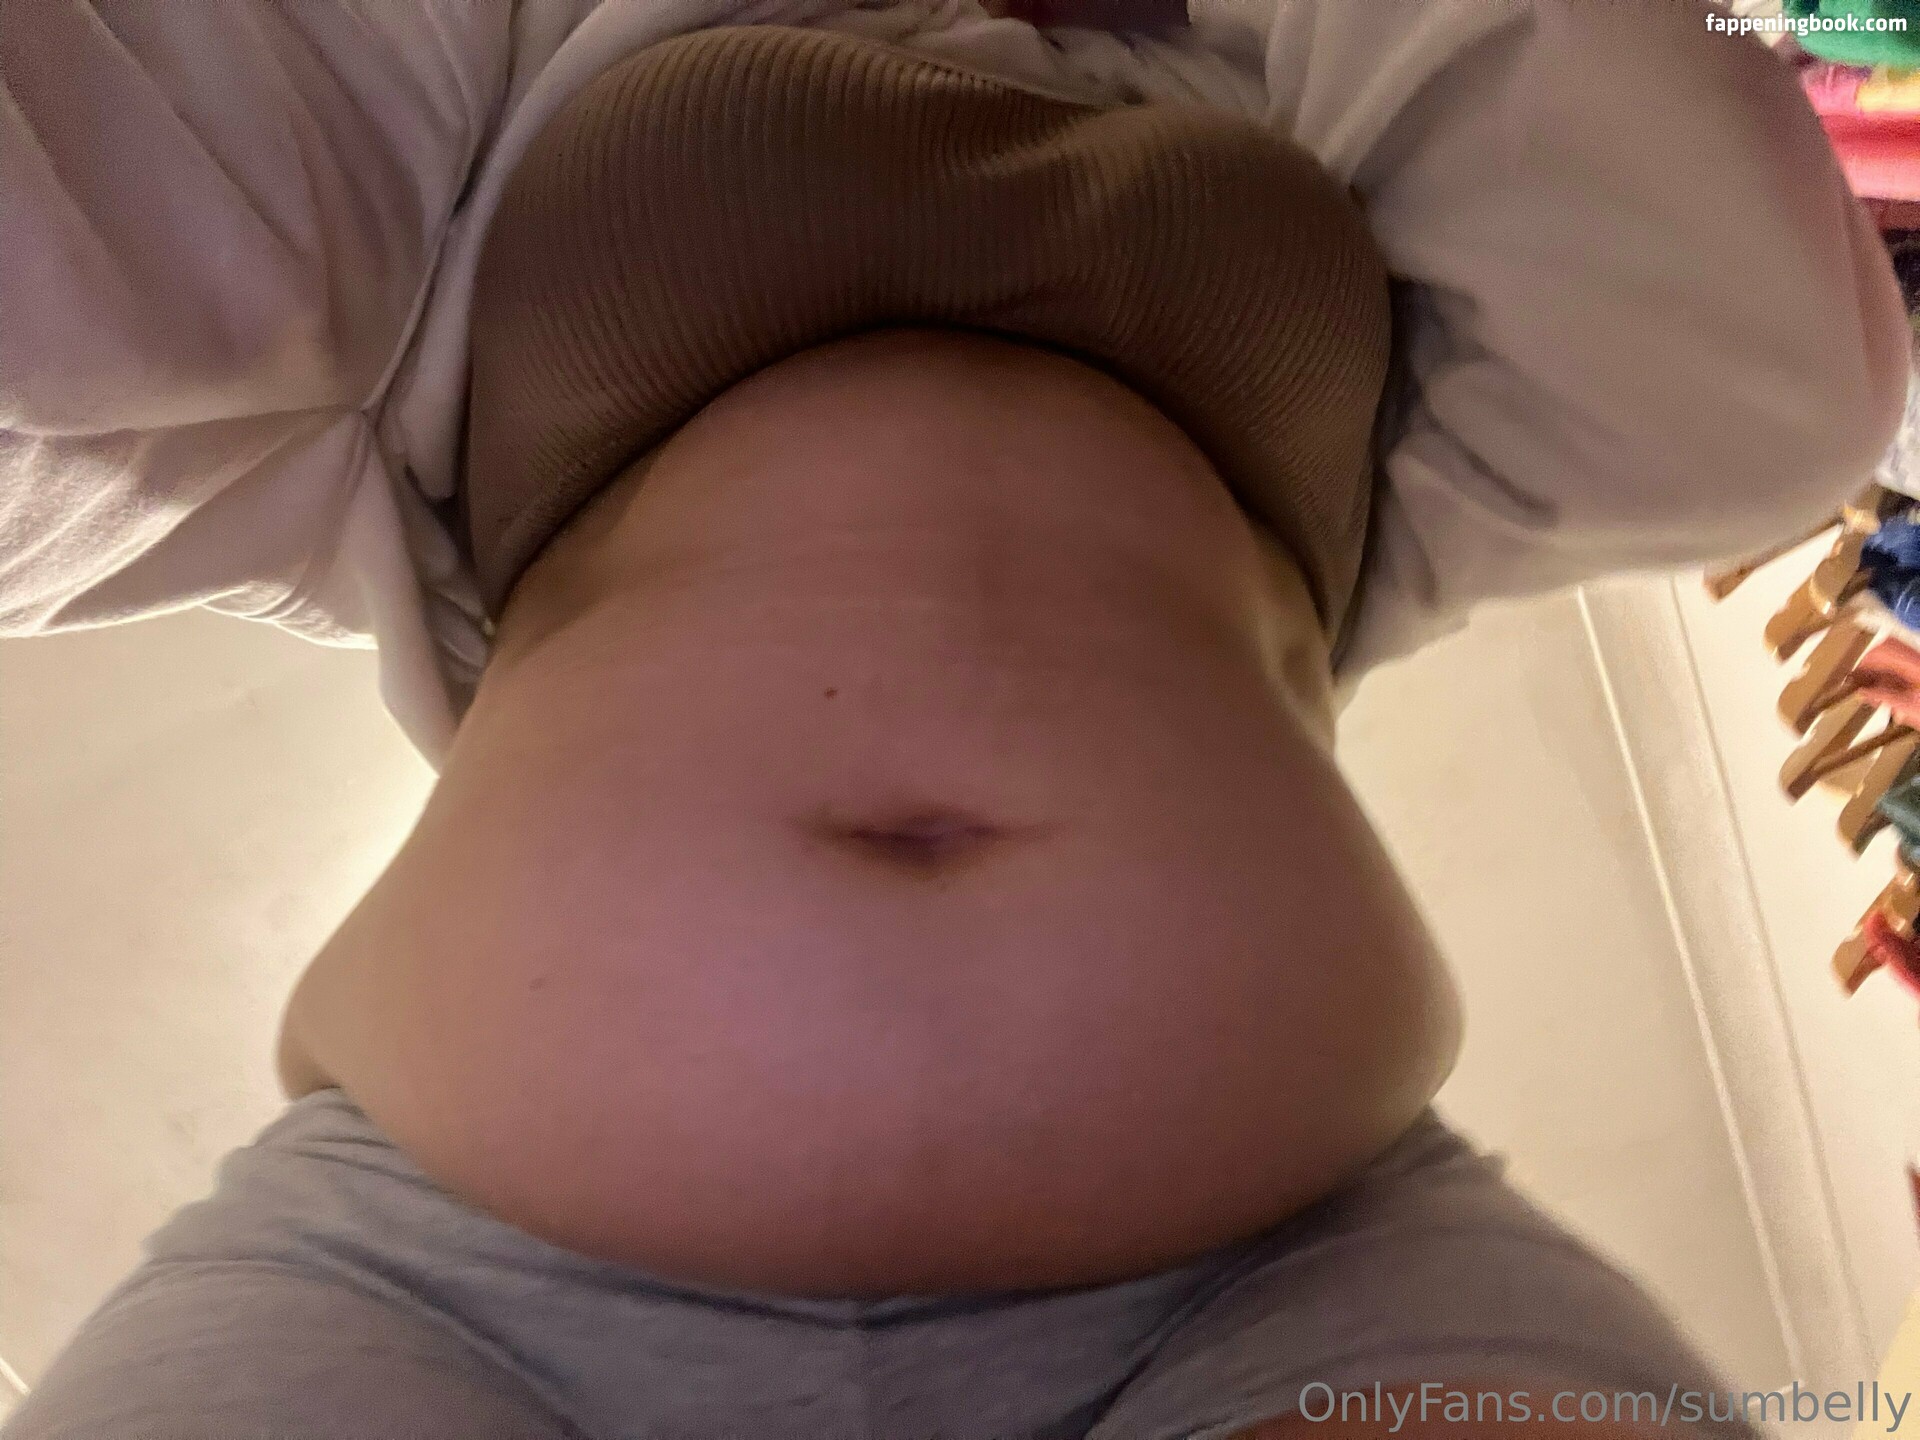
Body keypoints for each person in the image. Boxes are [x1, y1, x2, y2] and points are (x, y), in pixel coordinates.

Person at [1, 3, 1906, 1437]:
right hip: (436, 1291)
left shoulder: (1316, 123)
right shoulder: (481, 73)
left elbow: (1750, 369)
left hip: (1295, 1280)